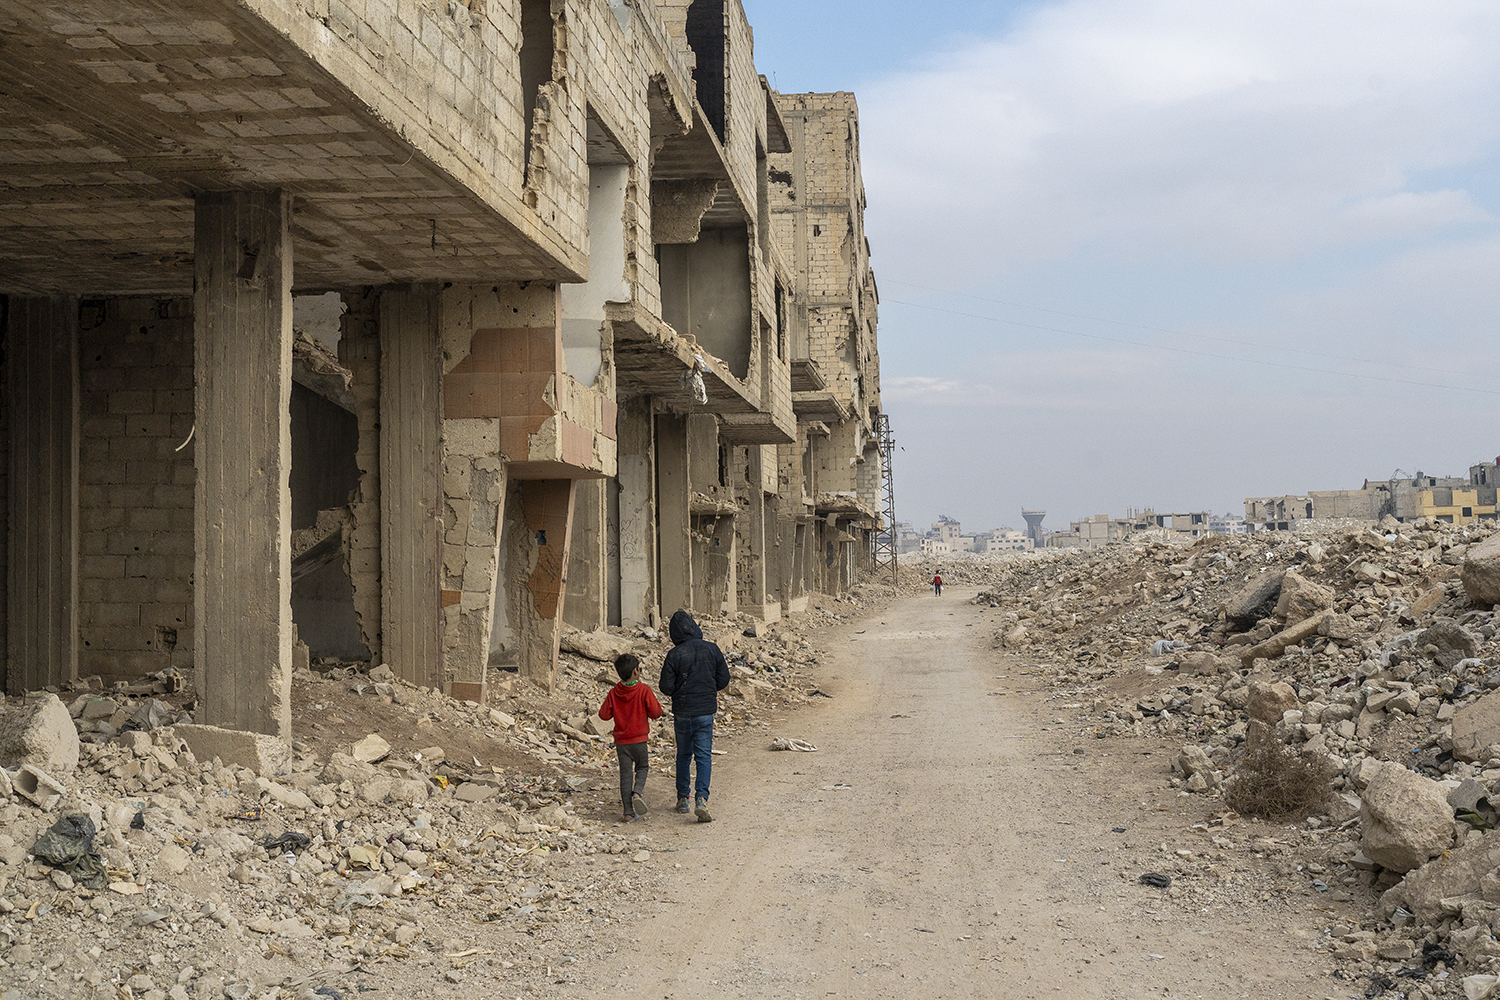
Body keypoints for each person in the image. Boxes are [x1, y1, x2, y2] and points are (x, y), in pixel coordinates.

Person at [658, 610, 730, 823]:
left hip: (682, 713)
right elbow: (723, 679)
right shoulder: (712, 649)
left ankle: (682, 799)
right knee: (703, 756)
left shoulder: (674, 655)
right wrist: (708, 689)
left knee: (683, 755)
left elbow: (666, 687)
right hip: (705, 712)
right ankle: (702, 799)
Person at [598, 653, 663, 823]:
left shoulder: (614, 693)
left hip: (622, 743)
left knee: (625, 776)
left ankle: (628, 812)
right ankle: (637, 793)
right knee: (643, 767)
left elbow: (603, 715)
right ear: (635, 671)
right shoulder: (644, 690)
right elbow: (657, 713)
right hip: (640, 740)